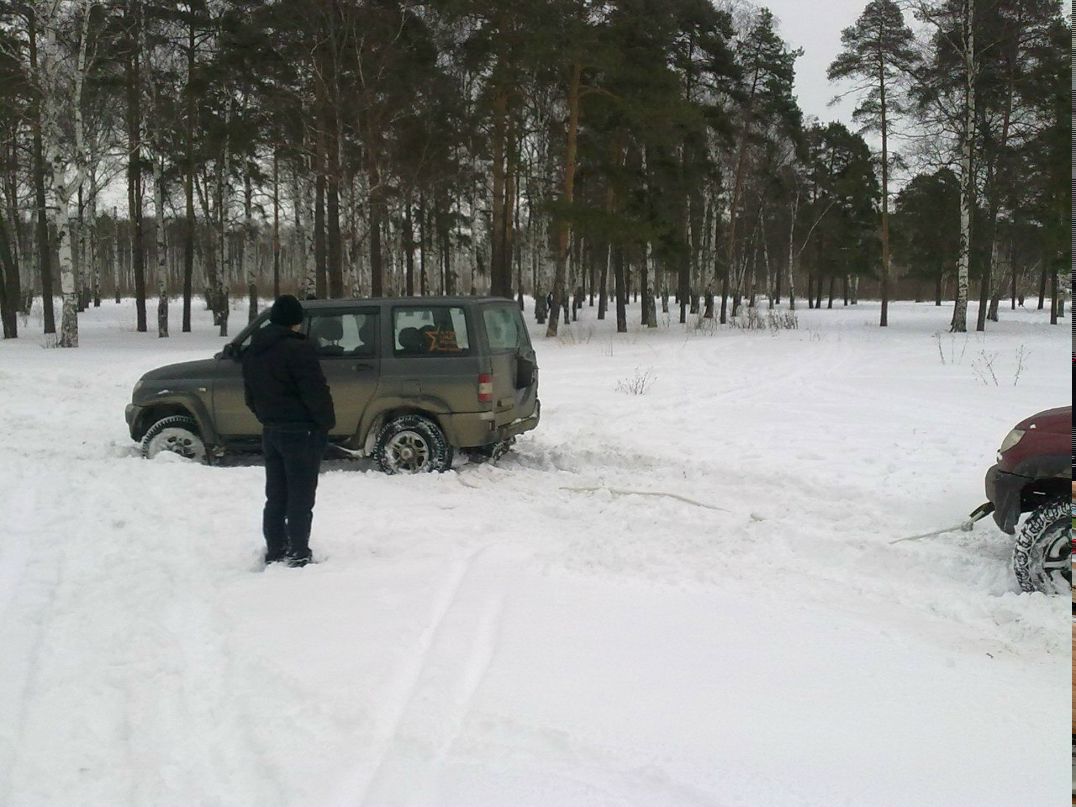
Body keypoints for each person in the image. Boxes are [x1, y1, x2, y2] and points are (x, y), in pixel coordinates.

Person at [241, 295, 335, 567]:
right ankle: (298, 552)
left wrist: (267, 418)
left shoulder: (254, 350)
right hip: (301, 432)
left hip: (271, 431)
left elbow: (250, 395)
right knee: (301, 495)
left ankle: (276, 548)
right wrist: (325, 423)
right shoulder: (298, 350)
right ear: (295, 322)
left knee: (276, 495)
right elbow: (316, 392)